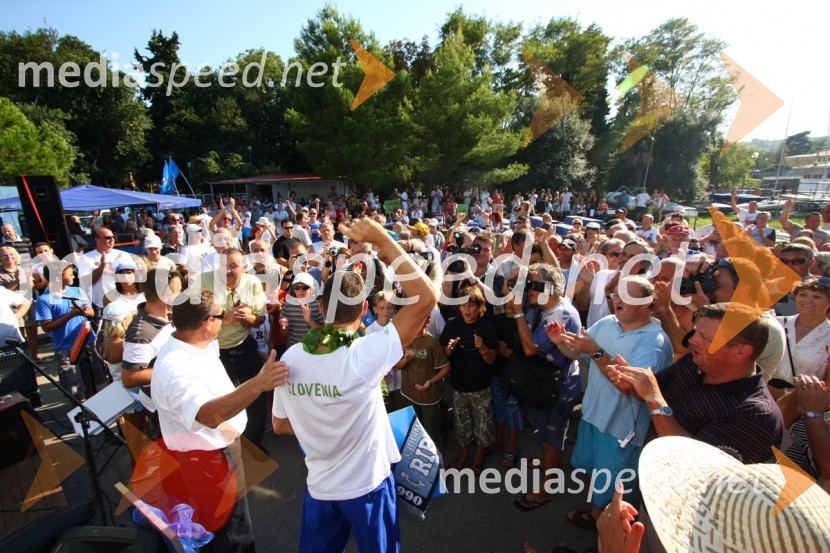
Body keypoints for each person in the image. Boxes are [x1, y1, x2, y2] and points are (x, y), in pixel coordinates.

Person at [272, 216, 436, 553]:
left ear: (320, 307)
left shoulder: (290, 358)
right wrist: (384, 240)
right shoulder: (366, 354)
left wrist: (319, 424)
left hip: (319, 488)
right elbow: (426, 297)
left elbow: (279, 424)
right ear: (364, 309)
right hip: (368, 487)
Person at [151, 288, 288, 553]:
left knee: (232, 525)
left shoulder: (194, 342)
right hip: (207, 460)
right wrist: (258, 385)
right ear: (206, 323)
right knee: (231, 533)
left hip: (213, 454)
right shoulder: (177, 367)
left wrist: (223, 320)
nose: (224, 319)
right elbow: (207, 415)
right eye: (220, 315)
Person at [547, 277, 673, 530]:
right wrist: (561, 342)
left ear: (648, 303)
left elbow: (630, 387)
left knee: (617, 490)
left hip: (620, 430)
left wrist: (594, 350)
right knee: (601, 477)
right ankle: (598, 516)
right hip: (593, 418)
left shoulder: (654, 342)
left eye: (626, 295)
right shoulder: (607, 323)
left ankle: (610, 532)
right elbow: (578, 353)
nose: (617, 299)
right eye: (616, 293)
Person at [609, 302, 784, 464]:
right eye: (695, 332)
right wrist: (634, 385)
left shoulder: (756, 416)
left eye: (705, 337)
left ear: (741, 350)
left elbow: (694, 464)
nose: (692, 340)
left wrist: (655, 400)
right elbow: (652, 393)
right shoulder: (693, 363)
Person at [197, 249, 269, 449]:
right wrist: (225, 320)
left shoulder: (252, 283)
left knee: (255, 397)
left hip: (244, 347)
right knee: (222, 400)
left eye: (233, 266)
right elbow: (193, 321)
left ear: (244, 268)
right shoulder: (204, 281)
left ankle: (253, 446)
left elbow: (260, 319)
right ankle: (226, 446)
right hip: (213, 352)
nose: (227, 270)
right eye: (223, 265)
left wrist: (247, 318)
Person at [440, 284, 498, 474]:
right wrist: (448, 349)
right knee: (461, 423)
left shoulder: (487, 327)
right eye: (463, 305)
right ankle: (463, 454)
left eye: (471, 305)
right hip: (458, 385)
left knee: (483, 422)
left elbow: (491, 360)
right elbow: (444, 356)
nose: (467, 309)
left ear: (479, 306)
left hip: (481, 385)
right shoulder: (452, 325)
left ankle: (479, 456)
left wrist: (482, 348)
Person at [35, 265, 95, 400]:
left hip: (88, 343)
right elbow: (46, 327)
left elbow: (92, 312)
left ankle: (95, 415)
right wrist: (71, 314)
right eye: (70, 274)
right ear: (58, 277)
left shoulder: (78, 291)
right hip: (66, 349)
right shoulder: (44, 300)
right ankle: (80, 418)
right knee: (74, 390)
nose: (73, 276)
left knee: (92, 383)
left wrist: (85, 311)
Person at [768, 276, 830, 398]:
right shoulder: (775, 324)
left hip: (803, 404)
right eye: (803, 294)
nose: (808, 300)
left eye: (817, 297)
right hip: (763, 396)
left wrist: (786, 394)